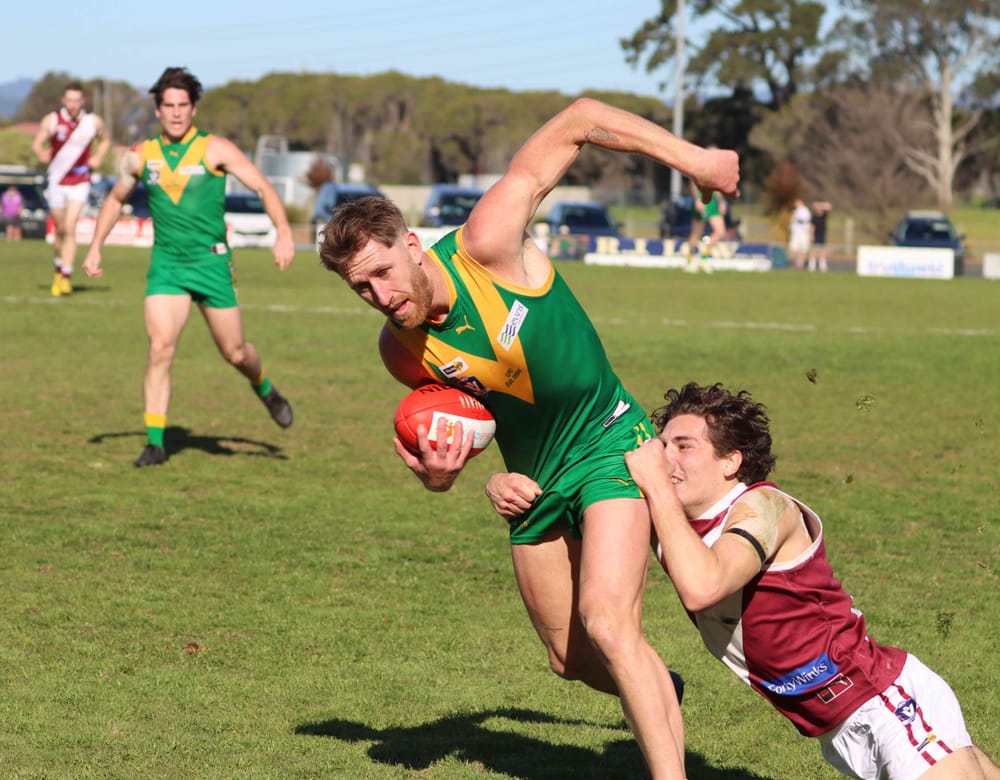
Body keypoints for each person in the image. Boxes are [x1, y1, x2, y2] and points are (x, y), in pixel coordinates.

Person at [318, 97, 740, 779]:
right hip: (534, 484)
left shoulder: (489, 242)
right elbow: (461, 441)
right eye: (360, 288)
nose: (381, 295)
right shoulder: (401, 355)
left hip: (612, 443)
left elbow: (580, 119)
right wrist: (443, 475)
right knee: (569, 659)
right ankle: (658, 685)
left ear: (413, 246)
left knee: (607, 621)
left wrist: (696, 161)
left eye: (384, 272)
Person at [622, 382, 1000, 780]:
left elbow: (703, 586)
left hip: (883, 700)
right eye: (663, 446)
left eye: (684, 446)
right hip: (837, 727)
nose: (666, 459)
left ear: (730, 461)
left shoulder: (765, 506)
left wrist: (657, 488)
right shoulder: (672, 522)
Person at [82, 67, 295, 468]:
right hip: (167, 266)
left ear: (193, 109)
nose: (176, 113)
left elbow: (264, 187)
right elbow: (113, 200)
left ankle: (264, 387)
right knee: (160, 347)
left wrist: (283, 231)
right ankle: (155, 442)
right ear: (157, 110)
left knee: (234, 352)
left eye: (183, 106)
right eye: (169, 106)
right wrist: (95, 246)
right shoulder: (141, 156)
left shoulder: (216, 149)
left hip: (212, 265)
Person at [32, 81, 111, 296]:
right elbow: (37, 143)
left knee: (69, 227)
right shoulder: (52, 120)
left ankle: (66, 276)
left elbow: (105, 141)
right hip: (57, 181)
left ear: (82, 101)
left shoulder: (92, 121)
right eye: (70, 100)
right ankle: (58, 269)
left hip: (80, 181)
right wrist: (40, 153)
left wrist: (98, 158)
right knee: (59, 231)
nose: (73, 104)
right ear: (63, 101)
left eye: (77, 100)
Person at [685, 177, 726, 273]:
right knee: (696, 233)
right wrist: (697, 199)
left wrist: (721, 201)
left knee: (720, 232)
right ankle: (689, 261)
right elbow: (693, 181)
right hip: (701, 198)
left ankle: (703, 257)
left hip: (712, 201)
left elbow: (716, 184)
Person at [788, 196, 813, 270]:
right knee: (795, 248)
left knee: (803, 249)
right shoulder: (796, 210)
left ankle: (800, 264)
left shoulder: (805, 210)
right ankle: (796, 264)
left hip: (803, 232)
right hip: (796, 232)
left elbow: (803, 221)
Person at [808, 200, 833, 272]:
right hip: (816, 234)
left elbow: (829, 206)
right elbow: (812, 226)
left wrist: (820, 205)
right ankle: (811, 265)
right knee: (814, 249)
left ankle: (822, 266)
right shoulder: (814, 217)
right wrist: (811, 234)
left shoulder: (824, 215)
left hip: (822, 234)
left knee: (822, 250)